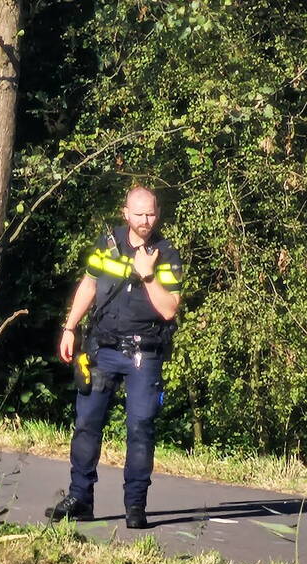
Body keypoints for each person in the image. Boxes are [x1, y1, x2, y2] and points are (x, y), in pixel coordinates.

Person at [48, 186, 183, 529]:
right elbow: (90, 285)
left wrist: (148, 274)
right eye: (138, 214)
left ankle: (135, 507)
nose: (145, 221)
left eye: (150, 213)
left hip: (144, 353)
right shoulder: (107, 243)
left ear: (158, 213)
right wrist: (69, 327)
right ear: (125, 213)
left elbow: (169, 310)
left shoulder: (166, 253)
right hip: (102, 349)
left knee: (140, 429)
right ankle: (80, 499)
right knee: (87, 425)